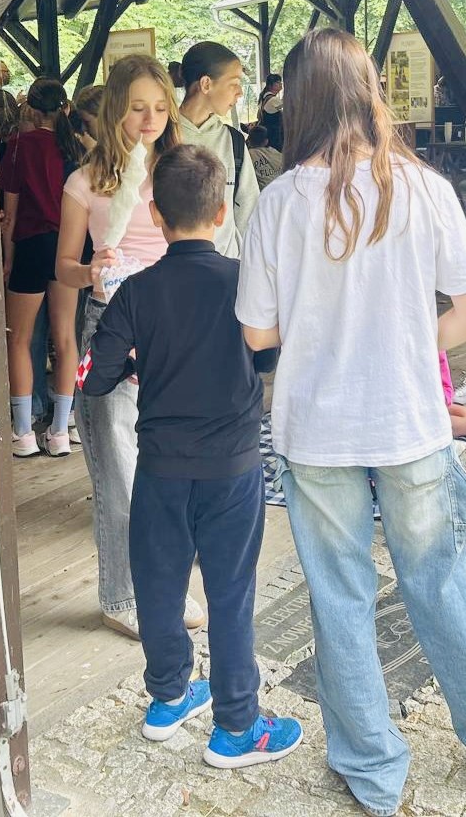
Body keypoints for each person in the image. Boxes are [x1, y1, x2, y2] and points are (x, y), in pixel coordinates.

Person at [236, 29, 466, 817]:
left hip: (314, 431)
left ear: (296, 102)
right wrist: (406, 345)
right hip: (409, 420)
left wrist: (326, 332)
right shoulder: (424, 188)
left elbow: (257, 335)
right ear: (369, 90)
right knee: (446, 582)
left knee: (338, 596)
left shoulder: (276, 204)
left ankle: (371, 771)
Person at [79, 144, 303, 768]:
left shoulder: (136, 292)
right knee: (230, 595)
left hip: (160, 468)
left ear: (154, 213)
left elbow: (91, 379)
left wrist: (133, 361)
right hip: (233, 467)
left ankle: (169, 696)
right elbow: (267, 355)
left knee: (158, 586)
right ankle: (237, 725)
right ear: (222, 212)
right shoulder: (244, 282)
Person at [56, 55, 204, 639]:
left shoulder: (180, 170)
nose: (150, 119)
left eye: (161, 107)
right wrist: (91, 269)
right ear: (115, 108)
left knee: (176, 466)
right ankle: (122, 594)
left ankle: (169, 583)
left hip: (177, 323)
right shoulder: (84, 182)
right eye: (138, 107)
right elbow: (64, 268)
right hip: (111, 323)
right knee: (119, 469)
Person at [0, 79, 82, 458]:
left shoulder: (18, 146)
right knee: (66, 339)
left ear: (31, 110)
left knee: (18, 338)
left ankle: (22, 433)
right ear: (66, 108)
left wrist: (8, 258)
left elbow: (11, 213)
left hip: (31, 246)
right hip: (69, 249)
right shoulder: (74, 148)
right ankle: (61, 431)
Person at [177, 42, 260, 258]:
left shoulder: (233, 142)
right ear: (206, 84)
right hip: (171, 271)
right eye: (234, 83)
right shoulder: (161, 136)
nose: (240, 92)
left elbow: (249, 211)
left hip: (226, 270)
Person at [0, 59, 21, 160]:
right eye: (6, 71)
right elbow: (12, 120)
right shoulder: (5, 96)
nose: (9, 74)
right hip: (3, 146)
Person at [246, 125, 282, 189]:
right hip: (280, 188)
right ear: (266, 141)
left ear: (249, 141)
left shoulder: (248, 155)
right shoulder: (275, 153)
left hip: (262, 191)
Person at [257, 77, 285, 151]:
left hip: (267, 132)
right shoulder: (273, 99)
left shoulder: (264, 97)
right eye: (278, 82)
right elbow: (287, 110)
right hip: (274, 134)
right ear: (270, 85)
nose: (281, 84)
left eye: (280, 82)